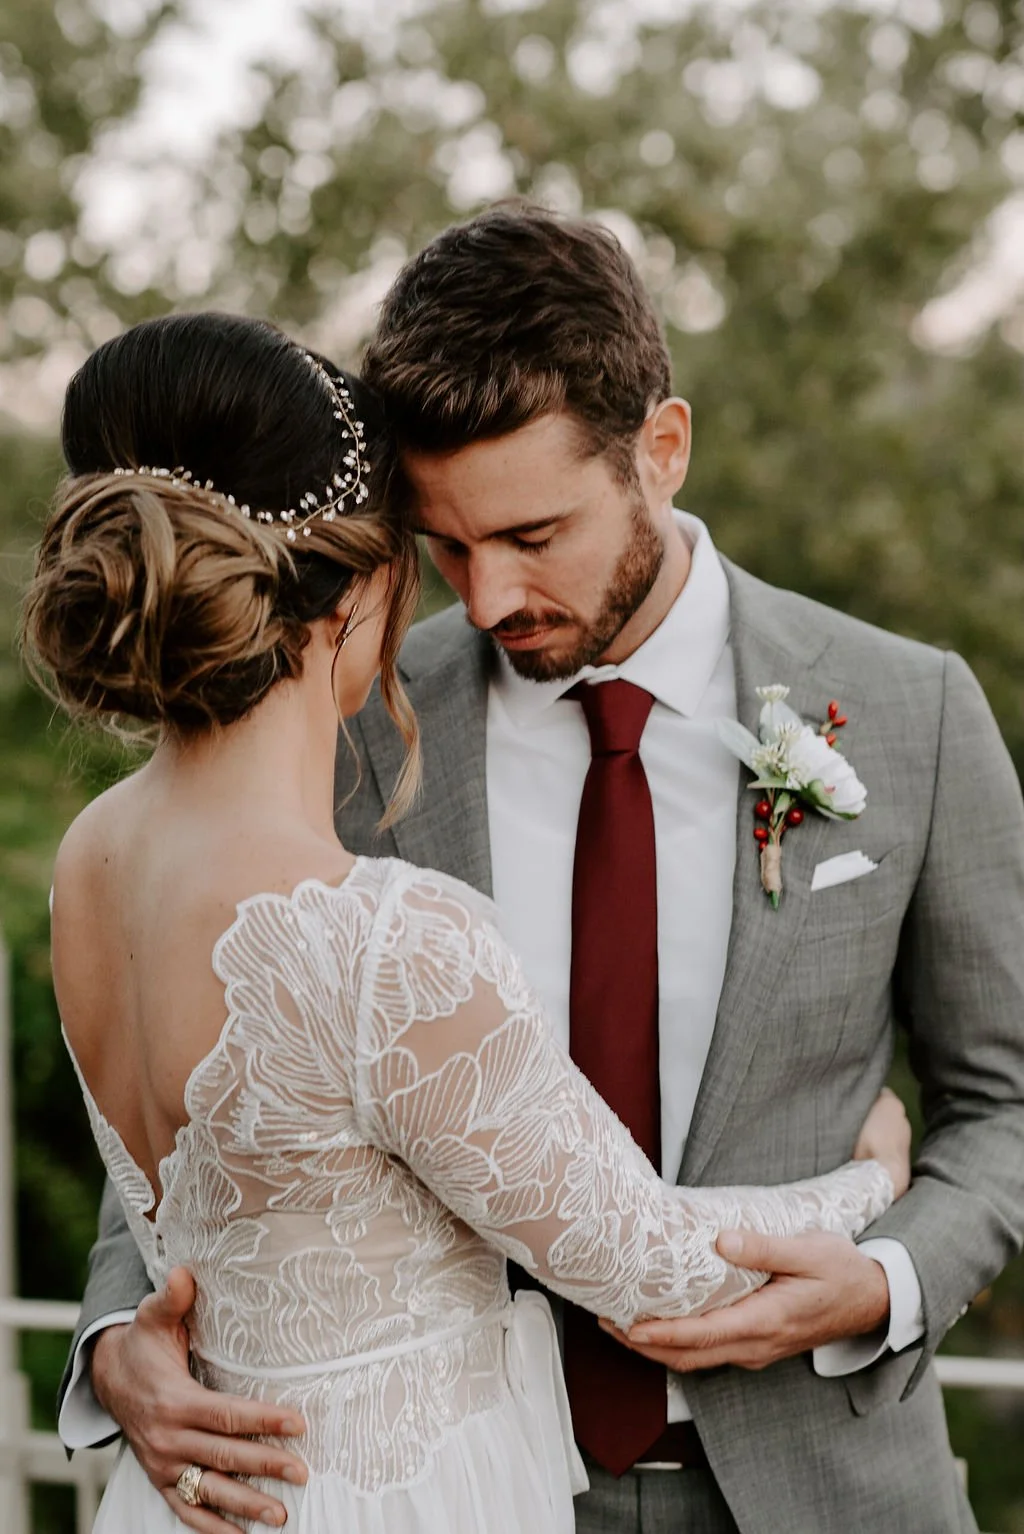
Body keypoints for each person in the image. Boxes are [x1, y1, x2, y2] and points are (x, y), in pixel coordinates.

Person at [52, 206, 1024, 1531]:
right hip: (472, 1482)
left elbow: (1011, 1099)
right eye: (444, 547)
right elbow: (220, 1104)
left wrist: (890, 1275)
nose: (491, 597)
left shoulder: (911, 712)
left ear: (661, 451)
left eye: (534, 534)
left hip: (824, 1482)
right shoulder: (327, 720)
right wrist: (121, 1329)